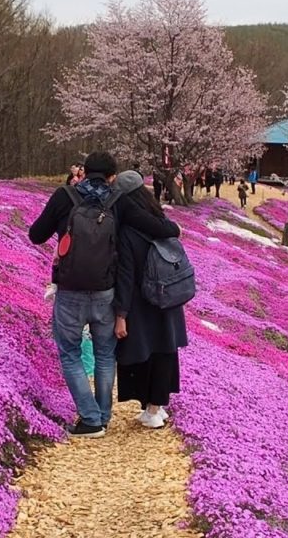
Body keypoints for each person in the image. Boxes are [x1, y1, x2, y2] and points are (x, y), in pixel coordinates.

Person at [28, 152, 180, 438]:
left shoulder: (64, 196)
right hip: (106, 293)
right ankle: (104, 416)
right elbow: (155, 227)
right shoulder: (118, 201)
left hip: (70, 291)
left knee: (70, 353)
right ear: (112, 176)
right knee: (104, 354)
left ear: (83, 172)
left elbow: (36, 235)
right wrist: (175, 228)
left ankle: (90, 419)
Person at [112, 171, 187, 429]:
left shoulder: (127, 231)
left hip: (142, 301)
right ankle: (157, 406)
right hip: (167, 296)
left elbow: (125, 275)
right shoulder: (160, 220)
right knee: (165, 349)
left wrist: (120, 314)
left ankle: (153, 409)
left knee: (147, 352)